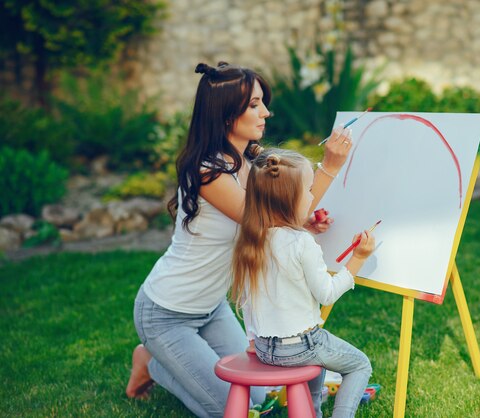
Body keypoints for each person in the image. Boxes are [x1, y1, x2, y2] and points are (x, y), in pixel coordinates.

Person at [125, 62, 354, 417]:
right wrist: (330, 168)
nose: (266, 112)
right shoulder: (209, 171)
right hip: (166, 313)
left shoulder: (254, 161)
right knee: (229, 409)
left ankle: (159, 357)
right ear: (227, 114)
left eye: (262, 103)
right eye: (254, 105)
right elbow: (262, 217)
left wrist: (304, 224)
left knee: (260, 397)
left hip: (211, 306)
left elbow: (276, 218)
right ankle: (151, 362)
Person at [231, 148, 375, 418]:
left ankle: (312, 412)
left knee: (318, 359)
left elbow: (247, 302)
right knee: (359, 365)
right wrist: (358, 258)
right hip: (302, 346)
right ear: (290, 199)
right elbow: (327, 293)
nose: (312, 196)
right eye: (308, 190)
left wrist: (252, 340)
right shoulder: (301, 243)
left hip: (264, 347)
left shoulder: (252, 239)